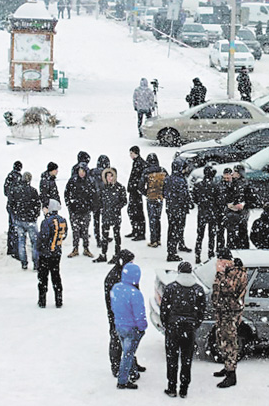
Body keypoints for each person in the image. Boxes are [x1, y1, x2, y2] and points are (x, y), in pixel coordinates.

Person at [161, 261, 206, 398]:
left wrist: (167, 324)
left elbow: (164, 309)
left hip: (173, 328)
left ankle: (172, 387)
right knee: (187, 359)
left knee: (172, 358)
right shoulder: (198, 290)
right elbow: (201, 311)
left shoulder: (170, 288)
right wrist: (194, 324)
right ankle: (184, 388)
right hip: (189, 329)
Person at [211, 249, 247, 389]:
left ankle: (231, 374)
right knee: (221, 339)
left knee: (229, 342)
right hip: (222, 311)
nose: (218, 263)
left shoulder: (236, 272)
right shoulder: (227, 272)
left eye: (221, 260)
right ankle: (227, 367)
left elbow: (229, 289)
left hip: (230, 313)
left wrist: (220, 273)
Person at [111, 262, 147, 390]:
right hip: (131, 328)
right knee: (128, 354)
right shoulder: (135, 294)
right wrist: (143, 327)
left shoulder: (116, 288)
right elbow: (139, 314)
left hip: (119, 325)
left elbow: (113, 306)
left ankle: (132, 372)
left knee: (127, 352)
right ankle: (123, 380)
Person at [104, 250, 140, 378]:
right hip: (118, 315)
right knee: (117, 339)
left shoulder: (127, 274)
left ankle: (131, 363)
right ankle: (117, 366)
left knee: (130, 339)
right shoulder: (114, 278)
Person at [37, 199, 68, 308]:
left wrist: (39, 246)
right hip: (57, 253)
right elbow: (64, 235)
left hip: (45, 254)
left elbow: (43, 237)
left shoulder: (46, 222)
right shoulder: (62, 220)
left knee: (43, 277)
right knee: (56, 276)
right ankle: (59, 300)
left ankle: (42, 300)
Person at [9, 172, 41, 270]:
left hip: (19, 219)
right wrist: (35, 215)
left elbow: (11, 204)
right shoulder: (33, 191)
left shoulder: (15, 191)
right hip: (30, 220)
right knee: (34, 242)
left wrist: (15, 215)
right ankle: (36, 263)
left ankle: (24, 262)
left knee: (21, 241)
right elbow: (37, 204)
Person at [95, 167, 128, 263]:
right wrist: (101, 208)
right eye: (108, 176)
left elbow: (124, 201)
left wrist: (116, 208)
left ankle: (117, 255)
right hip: (105, 215)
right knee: (104, 235)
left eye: (111, 176)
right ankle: (103, 254)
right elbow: (99, 200)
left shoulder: (120, 187)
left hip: (115, 215)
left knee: (117, 235)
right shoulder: (104, 188)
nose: (109, 178)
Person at [64, 162, 95, 258]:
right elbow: (66, 193)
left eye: (83, 171)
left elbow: (93, 195)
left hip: (85, 210)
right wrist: (70, 205)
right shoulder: (72, 181)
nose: (81, 173)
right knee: (75, 231)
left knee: (85, 231)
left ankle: (86, 248)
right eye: (80, 171)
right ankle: (75, 248)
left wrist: (90, 206)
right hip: (75, 210)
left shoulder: (89, 181)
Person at [164, 159, 193, 262]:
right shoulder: (181, 180)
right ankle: (172, 252)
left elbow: (164, 193)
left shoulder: (168, 179)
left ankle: (174, 247)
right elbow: (184, 195)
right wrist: (189, 203)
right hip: (179, 209)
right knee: (177, 229)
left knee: (172, 228)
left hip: (171, 208)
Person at [193, 165, 221, 263]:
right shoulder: (215, 186)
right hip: (212, 212)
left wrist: (201, 204)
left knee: (200, 235)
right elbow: (218, 201)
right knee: (211, 235)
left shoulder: (198, 185)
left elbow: (195, 198)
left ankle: (197, 254)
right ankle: (210, 254)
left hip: (202, 212)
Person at [141, 153, 167, 248]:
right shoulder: (163, 170)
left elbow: (140, 185)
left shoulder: (146, 171)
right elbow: (167, 183)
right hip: (160, 198)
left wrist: (146, 193)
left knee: (152, 218)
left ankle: (153, 240)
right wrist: (163, 194)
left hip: (151, 197)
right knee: (158, 218)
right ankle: (158, 239)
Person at [89, 155, 111, 250]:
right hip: (104, 200)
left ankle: (98, 238)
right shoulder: (106, 174)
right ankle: (104, 237)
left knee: (96, 220)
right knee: (105, 221)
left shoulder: (92, 173)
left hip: (94, 200)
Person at [126, 146, 146, 240]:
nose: (130, 155)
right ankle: (135, 230)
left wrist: (136, 187)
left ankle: (140, 232)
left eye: (131, 153)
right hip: (134, 191)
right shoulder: (137, 163)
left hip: (136, 191)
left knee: (137, 211)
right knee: (133, 211)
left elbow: (138, 178)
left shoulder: (139, 163)